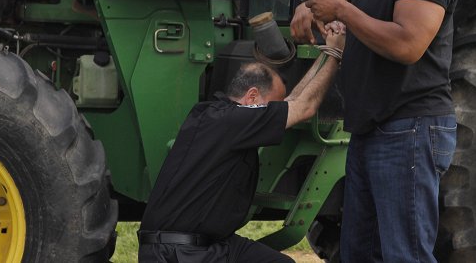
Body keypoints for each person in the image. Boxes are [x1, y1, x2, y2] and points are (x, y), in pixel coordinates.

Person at [290, 0, 459, 262]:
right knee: (360, 252)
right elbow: (335, 1)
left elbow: (408, 44)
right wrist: (309, 8)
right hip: (372, 128)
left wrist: (343, 12)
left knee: (405, 254)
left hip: (410, 128)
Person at [137, 26, 345, 263]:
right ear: (253, 97)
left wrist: (325, 51)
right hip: (179, 253)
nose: (274, 112)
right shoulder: (233, 120)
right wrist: (336, 53)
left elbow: (293, 101)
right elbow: (303, 108)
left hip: (209, 243)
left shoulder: (219, 116)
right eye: (272, 105)